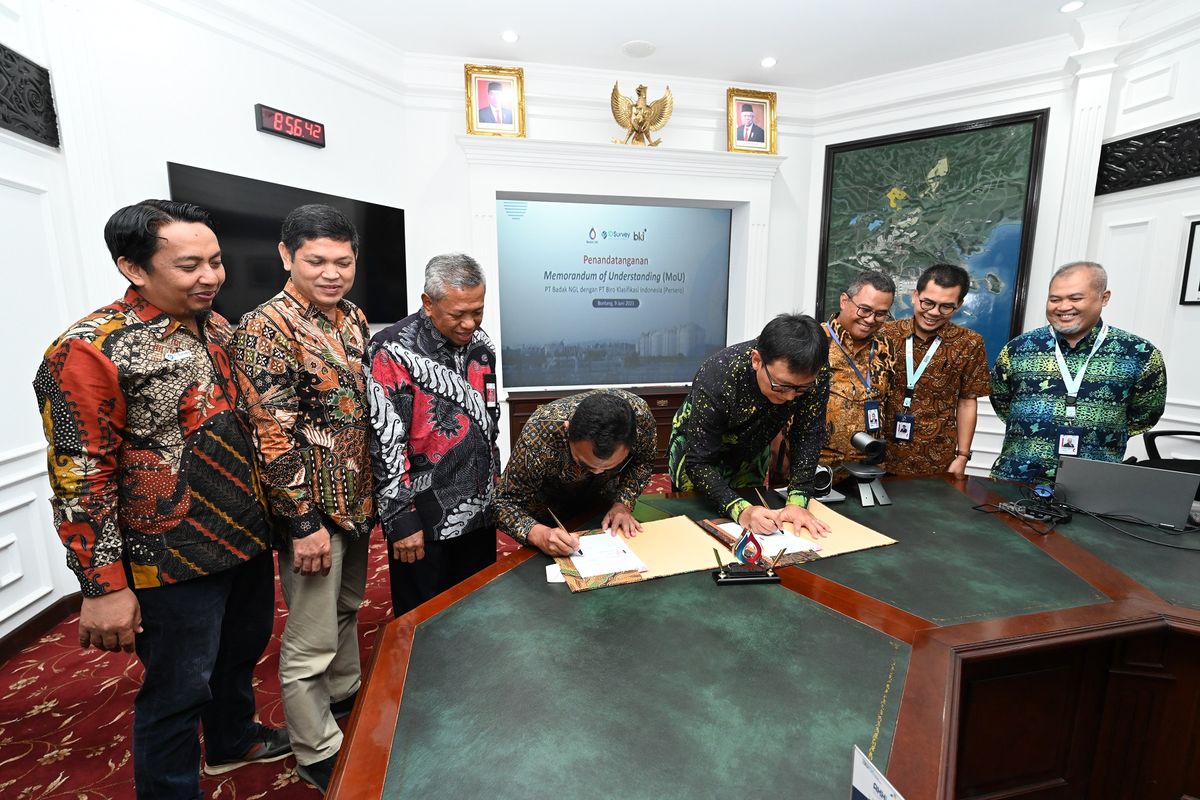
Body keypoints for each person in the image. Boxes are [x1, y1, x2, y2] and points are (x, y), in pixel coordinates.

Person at [33, 200, 288, 798]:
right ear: (133, 268)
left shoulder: (217, 326)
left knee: (238, 658)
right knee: (176, 692)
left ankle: (231, 741)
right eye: (190, 265)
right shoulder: (88, 350)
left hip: (244, 541)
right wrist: (103, 587)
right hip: (169, 562)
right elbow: (81, 479)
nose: (211, 277)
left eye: (216, 262)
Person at [231, 204, 375, 793]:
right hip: (310, 513)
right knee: (310, 638)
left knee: (345, 610)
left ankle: (344, 699)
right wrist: (302, 522)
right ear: (287, 256)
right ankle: (315, 747)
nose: (332, 272)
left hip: (355, 502)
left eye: (343, 261)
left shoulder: (353, 317)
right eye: (316, 260)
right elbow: (271, 436)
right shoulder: (265, 329)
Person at [365, 253, 501, 618]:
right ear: (428, 302)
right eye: (458, 314)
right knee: (423, 621)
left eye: (478, 310)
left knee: (477, 611)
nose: (470, 323)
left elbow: (490, 422)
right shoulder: (392, 349)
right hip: (424, 519)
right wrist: (401, 520)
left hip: (478, 511)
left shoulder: (481, 346)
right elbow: (385, 441)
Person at [991, 261, 1167, 484]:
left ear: (1104, 298)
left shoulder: (1139, 354)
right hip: (1015, 479)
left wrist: (1100, 431)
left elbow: (1145, 414)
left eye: (1075, 298)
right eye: (1055, 299)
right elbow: (1002, 402)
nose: (1063, 307)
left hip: (1094, 485)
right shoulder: (1017, 349)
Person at [668, 314, 831, 537]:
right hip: (699, 451)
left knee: (757, 519)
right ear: (757, 360)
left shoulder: (815, 372)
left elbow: (808, 432)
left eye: (800, 390)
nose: (791, 397)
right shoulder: (718, 375)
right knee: (697, 527)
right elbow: (699, 462)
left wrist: (797, 500)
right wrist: (740, 510)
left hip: (753, 446)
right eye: (781, 386)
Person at [495, 389, 655, 556]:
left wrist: (622, 503)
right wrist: (538, 534)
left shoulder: (640, 420)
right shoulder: (540, 432)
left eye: (610, 466)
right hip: (548, 508)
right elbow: (502, 503)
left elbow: (643, 461)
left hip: (602, 504)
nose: (598, 472)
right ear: (567, 429)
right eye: (585, 464)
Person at [881, 264, 990, 476]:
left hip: (937, 458)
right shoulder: (885, 335)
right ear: (915, 296)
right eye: (927, 302)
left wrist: (963, 456)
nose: (933, 312)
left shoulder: (970, 343)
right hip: (880, 454)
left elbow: (968, 401)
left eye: (946, 306)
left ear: (958, 305)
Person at [821, 271, 897, 465]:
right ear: (844, 301)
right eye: (864, 309)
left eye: (880, 314)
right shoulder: (814, 339)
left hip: (867, 466)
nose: (871, 319)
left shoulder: (886, 347)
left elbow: (886, 401)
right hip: (815, 467)